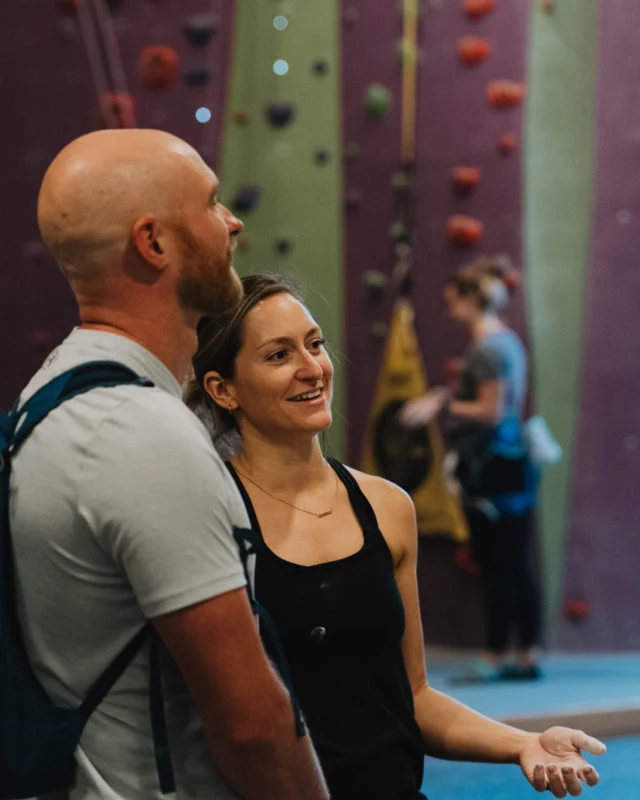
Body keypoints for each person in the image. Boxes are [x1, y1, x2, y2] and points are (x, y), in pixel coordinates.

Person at [187, 272, 605, 800]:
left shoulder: (387, 508)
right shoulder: (209, 517)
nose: (312, 367)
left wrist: (522, 742)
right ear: (223, 389)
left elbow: (414, 695)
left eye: (315, 344)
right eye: (278, 355)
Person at [11, 130, 329, 800]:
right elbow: (252, 727)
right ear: (154, 243)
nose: (233, 221)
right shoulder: (142, 433)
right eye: (212, 204)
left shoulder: (51, 393)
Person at [400, 255, 542, 683]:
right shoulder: (508, 342)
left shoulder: (486, 349)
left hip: (492, 471)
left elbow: (491, 410)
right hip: (508, 466)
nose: (450, 311)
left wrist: (442, 404)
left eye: (452, 302)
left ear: (468, 299)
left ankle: (497, 654)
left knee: (501, 565)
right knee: (514, 563)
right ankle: (525, 653)